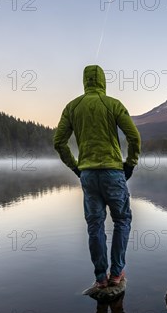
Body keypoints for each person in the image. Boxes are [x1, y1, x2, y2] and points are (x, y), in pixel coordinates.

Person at [54, 65, 141, 295]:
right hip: (113, 172)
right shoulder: (112, 104)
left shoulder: (72, 107)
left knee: (95, 225)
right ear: (102, 80)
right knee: (122, 220)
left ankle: (101, 279)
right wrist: (130, 164)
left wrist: (76, 168)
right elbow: (134, 137)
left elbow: (59, 142)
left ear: (85, 81)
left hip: (89, 175)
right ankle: (117, 274)